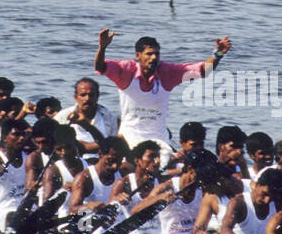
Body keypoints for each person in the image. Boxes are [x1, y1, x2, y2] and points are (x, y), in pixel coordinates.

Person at [93, 28, 231, 167]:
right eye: (149, 54)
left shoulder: (167, 72)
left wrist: (218, 54)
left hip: (159, 139)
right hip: (129, 137)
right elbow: (101, 67)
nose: (154, 58)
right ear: (138, 55)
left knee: (168, 167)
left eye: (157, 54)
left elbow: (202, 71)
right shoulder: (126, 71)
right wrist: (102, 47)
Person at [53, 77, 117, 160]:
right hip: (72, 161)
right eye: (83, 95)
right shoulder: (63, 116)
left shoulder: (108, 117)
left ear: (97, 97)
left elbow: (112, 146)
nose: (87, 99)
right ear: (76, 97)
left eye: (91, 95)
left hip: (101, 162)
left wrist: (84, 146)